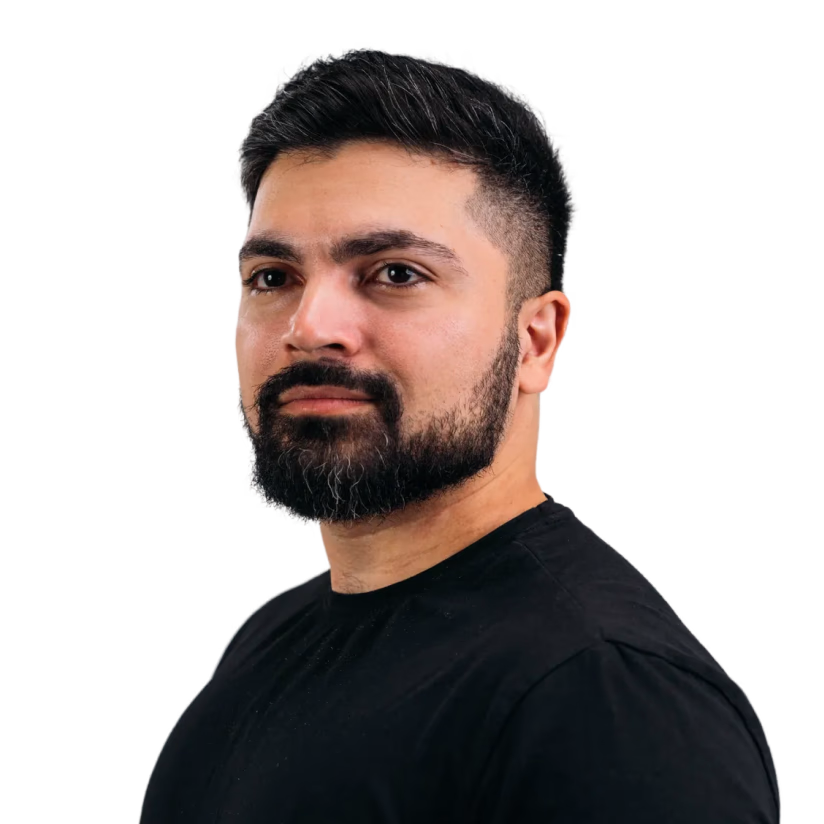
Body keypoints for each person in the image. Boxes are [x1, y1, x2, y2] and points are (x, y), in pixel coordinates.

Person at [140, 48, 781, 822]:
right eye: (273, 277)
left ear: (537, 342)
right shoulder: (274, 634)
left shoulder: (609, 700)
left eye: (395, 273)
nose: (309, 327)